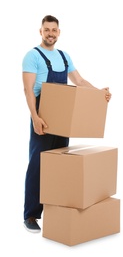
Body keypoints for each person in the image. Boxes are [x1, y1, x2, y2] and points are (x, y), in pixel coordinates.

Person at [22, 15, 112, 233]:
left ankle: (56, 211)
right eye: (46, 30)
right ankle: (31, 215)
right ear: (40, 31)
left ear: (59, 32)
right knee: (38, 165)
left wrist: (98, 93)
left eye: (54, 30)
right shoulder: (32, 56)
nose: (50, 33)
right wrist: (35, 117)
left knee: (60, 165)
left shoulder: (64, 57)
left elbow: (79, 81)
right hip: (43, 116)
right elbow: (28, 89)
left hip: (64, 118)